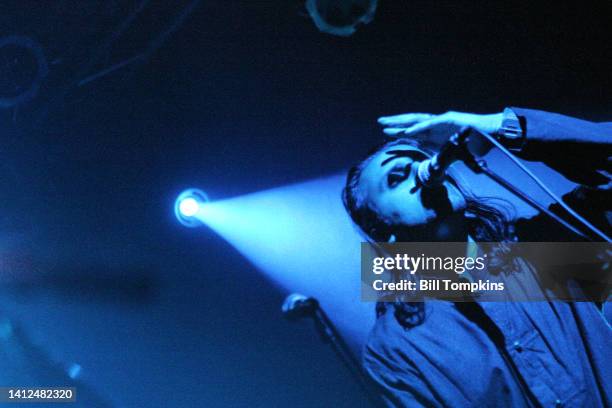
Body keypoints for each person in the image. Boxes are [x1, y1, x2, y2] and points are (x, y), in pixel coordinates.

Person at [342, 108, 611, 407]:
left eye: (421, 160)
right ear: (381, 230)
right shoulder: (394, 347)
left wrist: (499, 127)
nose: (424, 170)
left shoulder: (545, 241)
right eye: (396, 177)